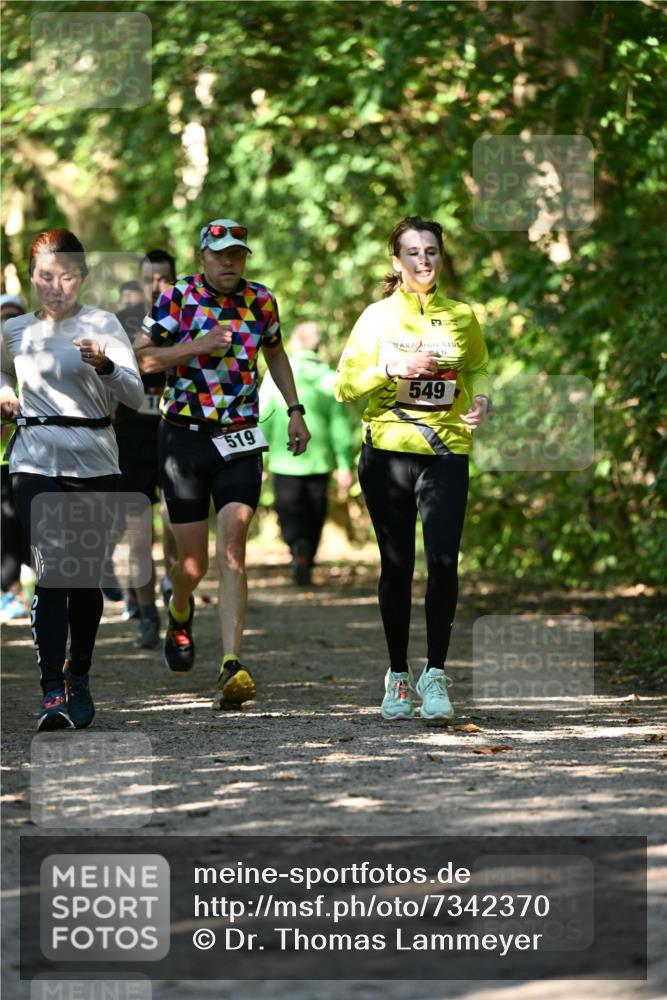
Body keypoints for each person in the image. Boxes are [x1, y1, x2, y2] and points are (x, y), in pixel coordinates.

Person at [132, 218, 310, 709]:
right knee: (193, 563)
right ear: (202, 258)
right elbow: (142, 357)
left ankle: (232, 663)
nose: (230, 262)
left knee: (233, 546)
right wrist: (196, 346)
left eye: (238, 254)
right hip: (184, 438)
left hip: (240, 438)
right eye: (220, 254)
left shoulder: (262, 300)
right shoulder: (178, 298)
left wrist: (295, 410)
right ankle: (180, 605)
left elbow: (275, 354)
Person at [334, 216, 491, 722]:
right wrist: (392, 368)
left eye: (432, 252)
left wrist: (482, 399)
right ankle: (398, 674)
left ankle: (436, 675)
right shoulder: (376, 318)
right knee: (397, 566)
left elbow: (478, 367)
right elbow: (343, 385)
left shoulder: (462, 315)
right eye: (414, 253)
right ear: (396, 262)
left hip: (447, 451)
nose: (424, 261)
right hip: (388, 453)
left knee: (444, 562)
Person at [0, 229, 144, 731]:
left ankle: (78, 674)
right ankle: (50, 692)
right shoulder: (15, 330)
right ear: (32, 275)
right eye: (44, 276)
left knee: (84, 580)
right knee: (53, 568)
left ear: (81, 277)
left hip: (96, 461)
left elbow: (136, 395)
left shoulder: (103, 323)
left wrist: (105, 365)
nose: (55, 286)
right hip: (33, 460)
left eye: (66, 276)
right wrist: (3, 394)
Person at [113, 249, 179, 646]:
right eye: (148, 280)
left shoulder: (188, 316)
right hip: (131, 437)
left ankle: (174, 584)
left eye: (163, 279)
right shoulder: (120, 323)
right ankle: (148, 615)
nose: (156, 286)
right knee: (139, 535)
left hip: (177, 432)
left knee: (176, 524)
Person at [259, 321, 355, 585]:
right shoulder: (327, 377)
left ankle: (296, 549)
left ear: (294, 343)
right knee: (315, 512)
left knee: (288, 512)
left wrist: (260, 458)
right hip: (319, 460)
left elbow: (263, 417)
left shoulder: (275, 375)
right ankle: (308, 555)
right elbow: (339, 425)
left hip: (283, 459)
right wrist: (345, 462)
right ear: (318, 346)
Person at [0, 294, 30, 622]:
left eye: (15, 317)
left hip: (37, 460)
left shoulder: (34, 359)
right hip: (3, 463)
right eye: (3, 316)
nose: (9, 323)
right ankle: (12, 594)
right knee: (5, 529)